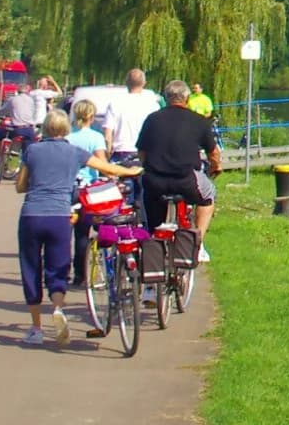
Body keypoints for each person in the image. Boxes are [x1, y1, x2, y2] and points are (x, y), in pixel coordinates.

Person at [15, 110, 88, 346]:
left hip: (32, 215)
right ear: (66, 129)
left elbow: (20, 185)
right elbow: (105, 166)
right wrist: (131, 171)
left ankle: (36, 328)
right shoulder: (74, 152)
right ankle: (57, 308)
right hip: (60, 215)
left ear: (45, 128)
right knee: (58, 267)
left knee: (31, 268)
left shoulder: (32, 150)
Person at [64, 97, 138, 308]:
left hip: (70, 188)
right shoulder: (95, 138)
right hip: (89, 190)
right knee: (90, 231)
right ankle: (89, 273)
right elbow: (102, 165)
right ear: (90, 116)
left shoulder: (68, 137)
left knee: (71, 233)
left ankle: (70, 273)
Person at [135, 79, 217, 261]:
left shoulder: (152, 119)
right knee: (209, 195)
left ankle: (154, 256)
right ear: (187, 99)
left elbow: (142, 152)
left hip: (156, 182)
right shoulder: (199, 121)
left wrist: (148, 166)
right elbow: (214, 153)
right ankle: (198, 243)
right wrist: (215, 168)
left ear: (166, 98)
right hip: (186, 181)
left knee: (151, 219)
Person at [100, 67, 161, 164]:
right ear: (144, 83)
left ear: (126, 82)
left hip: (121, 152)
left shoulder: (115, 103)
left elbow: (108, 134)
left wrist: (107, 153)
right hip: (145, 152)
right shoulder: (153, 105)